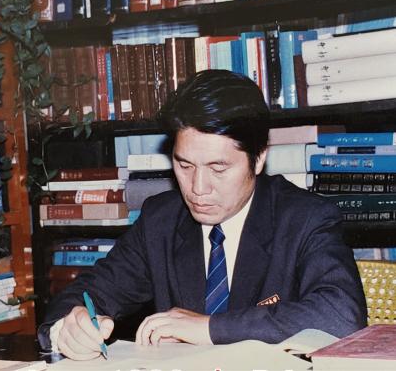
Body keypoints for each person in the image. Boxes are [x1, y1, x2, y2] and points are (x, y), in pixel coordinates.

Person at [38, 69, 367, 360]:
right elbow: (82, 296)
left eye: (218, 168)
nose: (197, 188)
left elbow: (340, 315)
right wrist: (71, 327)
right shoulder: (161, 221)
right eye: (184, 165)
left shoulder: (305, 218)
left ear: (258, 159)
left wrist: (208, 328)